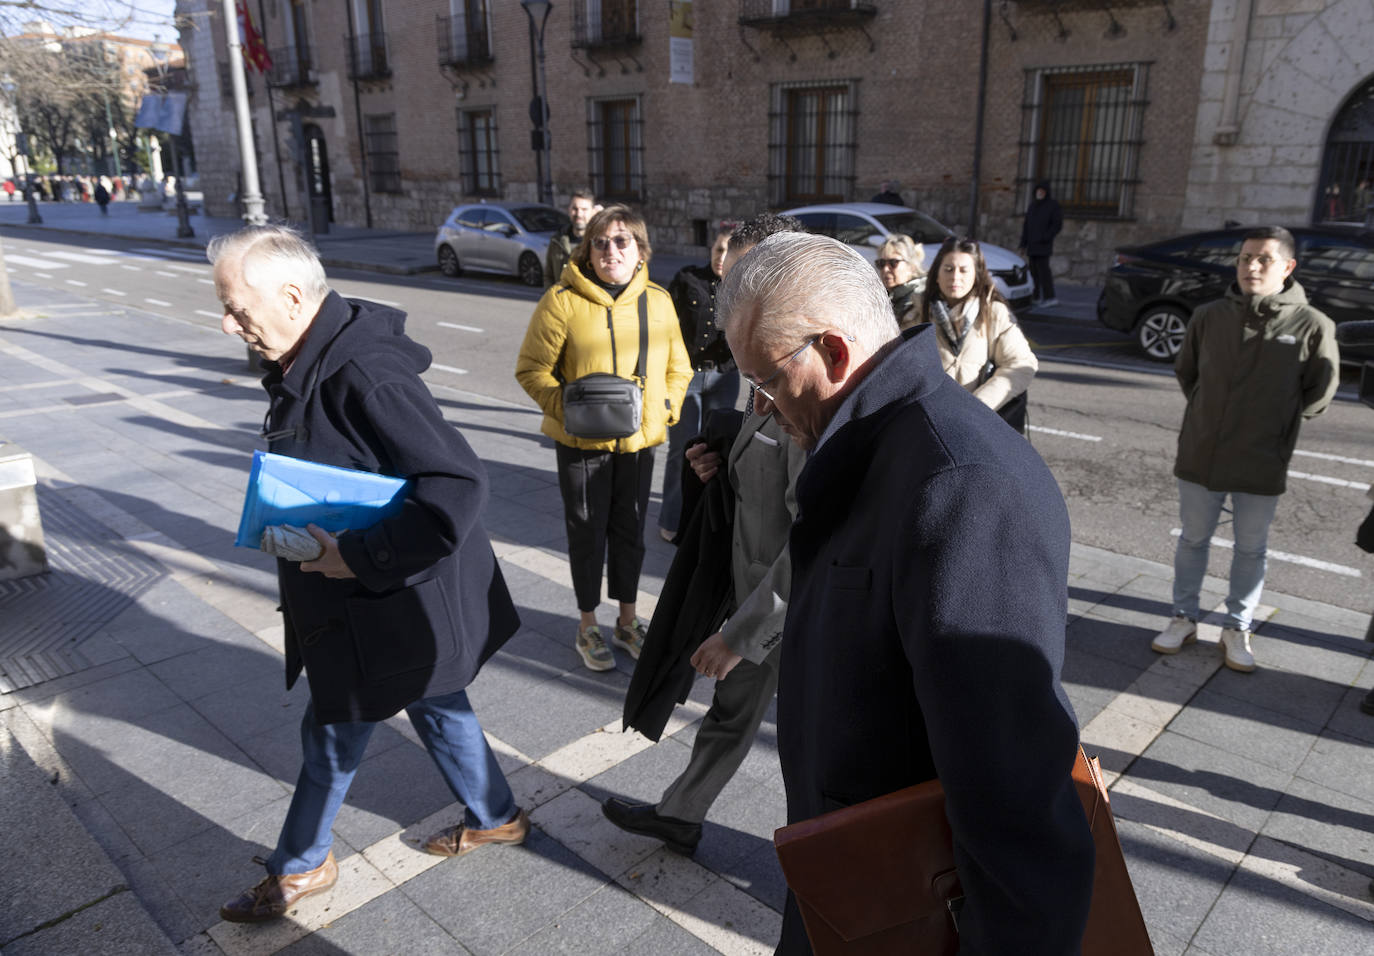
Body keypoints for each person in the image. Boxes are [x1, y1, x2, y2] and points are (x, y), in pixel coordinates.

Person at [717, 232, 1095, 954]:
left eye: (765, 382)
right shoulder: (878, 451)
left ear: (832, 353)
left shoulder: (961, 488)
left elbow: (1017, 808)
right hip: (861, 892)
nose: (760, 409)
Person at [208, 225, 528, 923]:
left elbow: (457, 483)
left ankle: (301, 866)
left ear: (293, 296)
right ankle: (498, 814)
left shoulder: (363, 374)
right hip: (373, 604)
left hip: (382, 603)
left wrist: (353, 556)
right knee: (438, 703)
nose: (227, 322)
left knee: (334, 727)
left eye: (237, 307)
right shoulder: (305, 360)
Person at [605, 212, 808, 854]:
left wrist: (741, 636)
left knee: (817, 743)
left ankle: (839, 865)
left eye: (744, 274)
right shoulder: (763, 367)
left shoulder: (806, 382)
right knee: (732, 716)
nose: (727, 288)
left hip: (791, 611)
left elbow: (814, 534)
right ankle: (682, 813)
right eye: (729, 271)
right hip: (750, 586)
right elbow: (765, 469)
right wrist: (716, 466)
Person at [1152, 226, 1339, 673]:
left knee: (1251, 549)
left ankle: (1237, 626)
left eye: (1264, 259)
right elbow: (1189, 373)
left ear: (1288, 267)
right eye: (1244, 258)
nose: (1251, 267)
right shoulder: (1209, 315)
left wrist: (1275, 426)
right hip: (1202, 452)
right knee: (1193, 539)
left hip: (1262, 458)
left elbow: (1319, 392)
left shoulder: (1312, 324)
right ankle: (1184, 617)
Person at [516, 205, 692, 671]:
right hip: (580, 447)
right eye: (600, 242)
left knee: (630, 532)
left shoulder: (657, 300)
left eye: (621, 241)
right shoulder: (561, 300)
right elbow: (532, 370)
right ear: (587, 249)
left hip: (639, 443)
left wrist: (667, 408)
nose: (610, 250)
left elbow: (679, 367)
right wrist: (570, 411)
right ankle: (588, 624)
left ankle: (628, 621)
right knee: (587, 533)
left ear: (639, 250)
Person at [656, 221, 740, 541]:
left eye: (729, 252)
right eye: (718, 249)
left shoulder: (742, 288)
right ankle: (673, 518)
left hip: (724, 376)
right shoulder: (687, 278)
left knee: (714, 449)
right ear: (710, 249)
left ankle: (704, 518)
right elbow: (664, 325)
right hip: (685, 376)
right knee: (682, 447)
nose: (722, 257)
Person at [918, 235, 1037, 421]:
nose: (955, 277)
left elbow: (1020, 365)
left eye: (964, 270)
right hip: (928, 420)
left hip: (975, 423)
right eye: (948, 269)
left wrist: (976, 408)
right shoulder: (917, 311)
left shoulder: (993, 312)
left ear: (976, 274)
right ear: (937, 274)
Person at [1020, 180, 1062, 307]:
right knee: (1033, 273)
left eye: (1042, 191)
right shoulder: (1032, 206)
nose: (1040, 193)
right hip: (1032, 245)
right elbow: (1026, 226)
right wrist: (1023, 243)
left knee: (1044, 272)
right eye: (1038, 190)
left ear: (1046, 192)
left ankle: (1050, 297)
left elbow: (1057, 225)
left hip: (1043, 245)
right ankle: (1036, 296)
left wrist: (1045, 237)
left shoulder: (1053, 205)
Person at [544, 188, 596, 287]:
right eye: (575, 209)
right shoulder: (557, 240)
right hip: (559, 300)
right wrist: (551, 297)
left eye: (584, 210)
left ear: (593, 212)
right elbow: (548, 275)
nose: (579, 214)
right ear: (569, 210)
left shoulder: (599, 243)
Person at [874, 233, 926, 329]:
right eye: (881, 263)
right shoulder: (880, 299)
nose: (885, 269)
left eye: (893, 262)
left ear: (912, 266)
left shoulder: (922, 299)